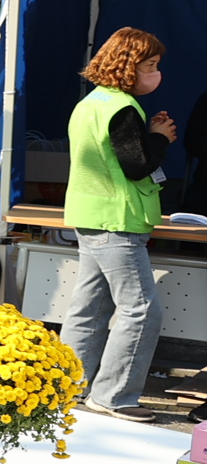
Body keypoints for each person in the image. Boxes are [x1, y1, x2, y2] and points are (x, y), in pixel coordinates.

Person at [56, 27, 179, 421]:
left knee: (88, 308)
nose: (156, 73)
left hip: (90, 217)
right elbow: (138, 165)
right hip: (117, 221)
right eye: (151, 65)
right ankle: (113, 396)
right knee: (142, 310)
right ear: (129, 67)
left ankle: (65, 388)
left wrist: (150, 134)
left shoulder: (91, 103)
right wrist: (159, 138)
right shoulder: (122, 108)